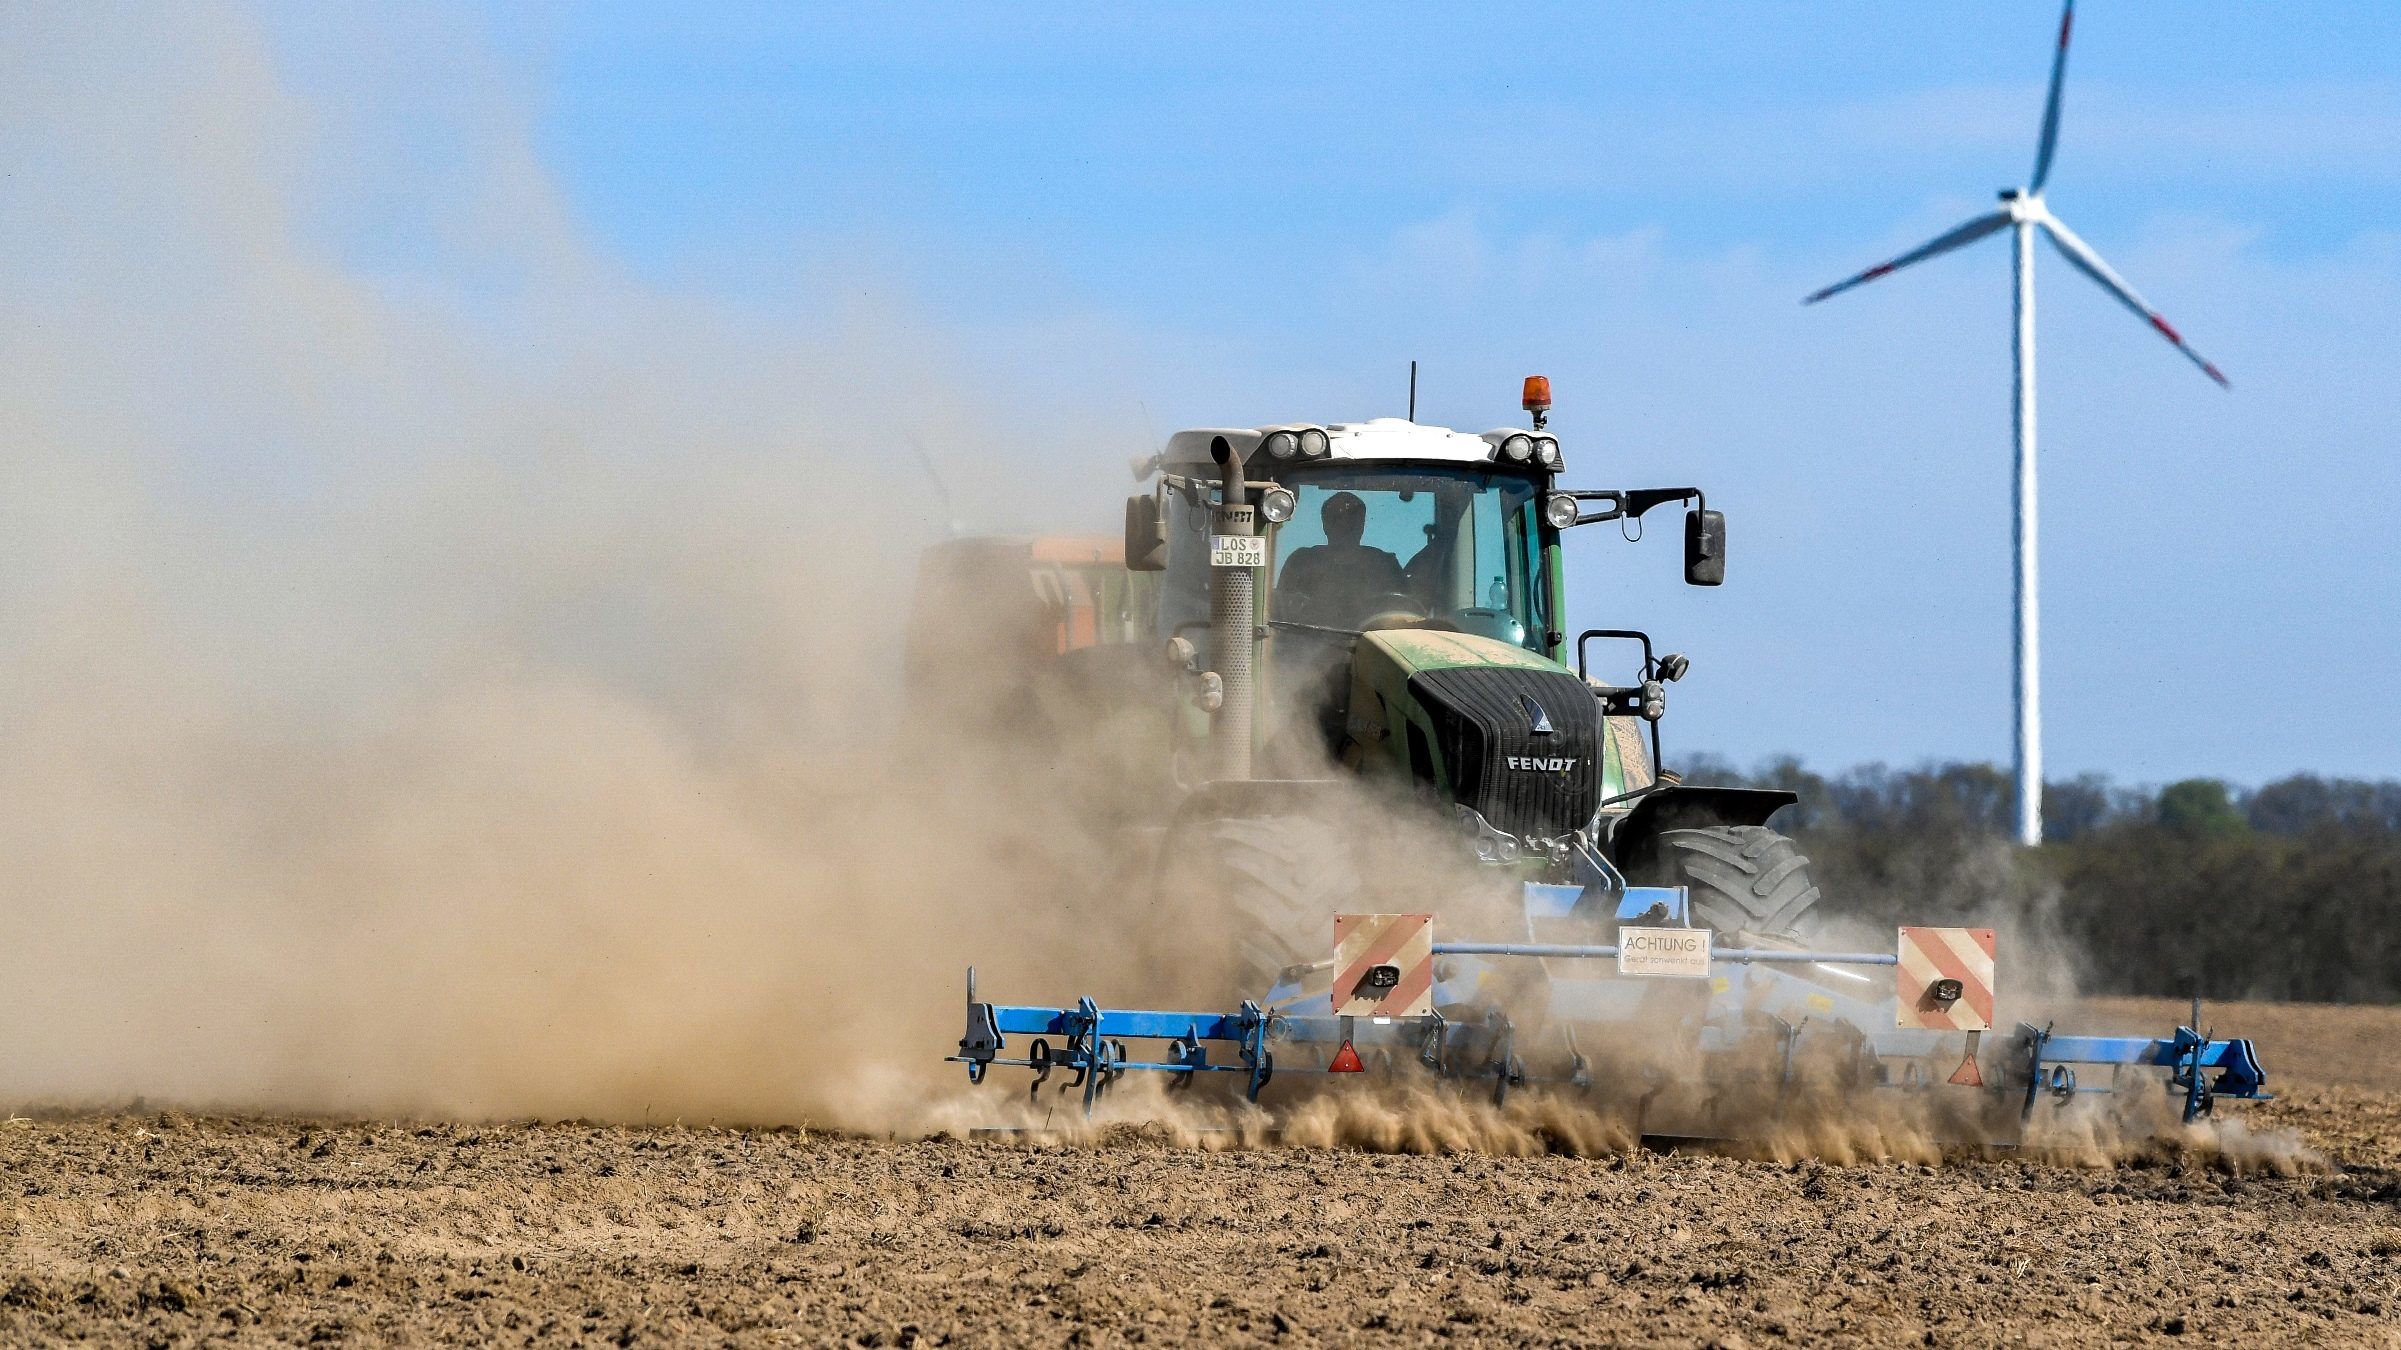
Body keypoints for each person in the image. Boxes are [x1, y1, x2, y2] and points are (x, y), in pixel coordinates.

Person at [1278, 492, 1408, 629]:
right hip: (1306, 643)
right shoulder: (1301, 562)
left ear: (1362, 524)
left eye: (1352, 519)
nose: (1344, 524)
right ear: (1325, 525)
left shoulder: (1385, 565)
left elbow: (1407, 612)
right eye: (1336, 518)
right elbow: (1281, 613)